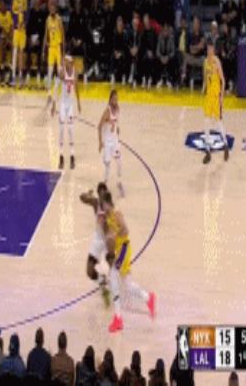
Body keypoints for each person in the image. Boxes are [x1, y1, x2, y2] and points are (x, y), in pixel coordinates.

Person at [102, 191, 156, 332]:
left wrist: (114, 235)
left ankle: (118, 319)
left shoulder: (117, 215)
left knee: (115, 281)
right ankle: (148, 298)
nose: (102, 207)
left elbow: (126, 230)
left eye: (103, 204)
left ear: (108, 203)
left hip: (124, 250)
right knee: (126, 284)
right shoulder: (107, 218)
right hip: (118, 251)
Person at [79, 182, 110, 305]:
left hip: (108, 241)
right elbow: (82, 198)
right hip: (98, 240)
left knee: (115, 270)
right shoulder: (96, 203)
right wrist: (88, 194)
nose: (102, 196)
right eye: (100, 194)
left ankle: (116, 292)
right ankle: (101, 281)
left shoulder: (110, 207)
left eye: (104, 193)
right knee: (89, 271)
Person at [202, 38, 229, 164]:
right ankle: (207, 150)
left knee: (218, 122)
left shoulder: (217, 61)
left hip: (216, 97)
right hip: (208, 97)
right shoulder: (205, 62)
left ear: (214, 50)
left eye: (211, 49)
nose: (210, 51)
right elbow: (205, 78)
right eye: (208, 49)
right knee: (206, 122)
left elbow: (223, 80)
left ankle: (225, 144)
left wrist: (222, 96)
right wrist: (203, 89)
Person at [51, 55, 80, 169]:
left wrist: (79, 102)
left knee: (71, 130)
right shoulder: (61, 73)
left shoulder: (74, 72)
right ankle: (61, 155)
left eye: (68, 62)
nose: (67, 63)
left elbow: (76, 87)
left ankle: (72, 155)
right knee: (62, 130)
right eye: (65, 62)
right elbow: (56, 88)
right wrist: (54, 104)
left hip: (70, 104)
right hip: (63, 104)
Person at [98, 90, 123, 196]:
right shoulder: (107, 111)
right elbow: (99, 126)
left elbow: (117, 121)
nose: (115, 100)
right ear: (110, 99)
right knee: (107, 164)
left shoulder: (118, 108)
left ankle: (119, 182)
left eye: (116, 98)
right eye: (114, 99)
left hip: (115, 140)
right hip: (107, 142)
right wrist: (100, 142)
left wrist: (118, 128)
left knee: (119, 162)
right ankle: (105, 183)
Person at [43, 0, 64, 103]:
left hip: (58, 47)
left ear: (56, 8)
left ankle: (55, 92)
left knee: (59, 71)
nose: (52, 9)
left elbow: (63, 36)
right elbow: (45, 35)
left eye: (54, 7)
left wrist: (63, 52)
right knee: (50, 71)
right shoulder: (47, 20)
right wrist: (43, 50)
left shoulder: (59, 19)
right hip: (51, 48)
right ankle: (49, 94)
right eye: (51, 7)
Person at [11, 0, 28, 86]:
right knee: (15, 51)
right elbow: (12, 13)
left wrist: (24, 22)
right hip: (16, 29)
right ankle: (13, 75)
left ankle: (20, 74)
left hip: (23, 29)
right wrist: (16, 23)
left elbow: (26, 12)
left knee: (21, 52)